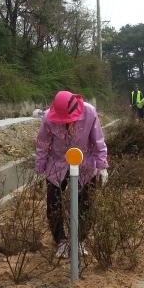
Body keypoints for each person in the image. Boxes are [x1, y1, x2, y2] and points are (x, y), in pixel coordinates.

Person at [35, 91, 108, 258]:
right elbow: (42, 145)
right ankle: (61, 240)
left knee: (86, 202)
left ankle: (80, 239)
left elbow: (98, 141)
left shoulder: (89, 112)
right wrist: (40, 171)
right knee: (54, 203)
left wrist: (102, 166)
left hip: (85, 161)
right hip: (57, 162)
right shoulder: (48, 118)